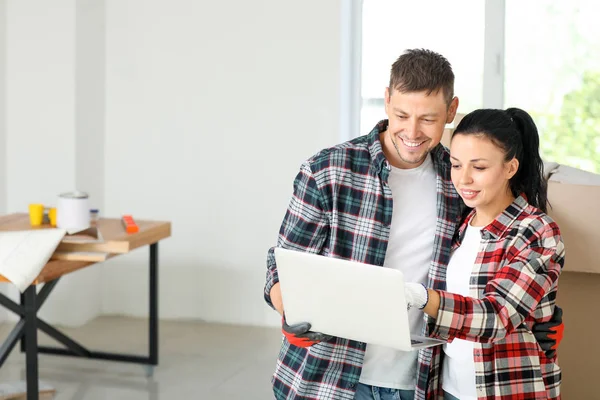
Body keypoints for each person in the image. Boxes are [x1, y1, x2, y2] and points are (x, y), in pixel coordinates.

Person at [263, 49, 563, 400]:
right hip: (327, 375)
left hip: (419, 380)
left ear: (451, 111)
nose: (412, 131)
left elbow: (501, 251)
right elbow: (281, 265)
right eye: (402, 114)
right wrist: (290, 309)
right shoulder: (328, 170)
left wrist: (542, 316)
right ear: (387, 100)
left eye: (428, 119)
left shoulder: (458, 181)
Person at [403, 108, 564, 399]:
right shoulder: (461, 227)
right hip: (449, 388)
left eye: (478, 168)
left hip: (505, 391)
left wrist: (422, 298)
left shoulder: (536, 231)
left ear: (510, 168)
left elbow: (498, 318)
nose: (463, 179)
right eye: (455, 165)